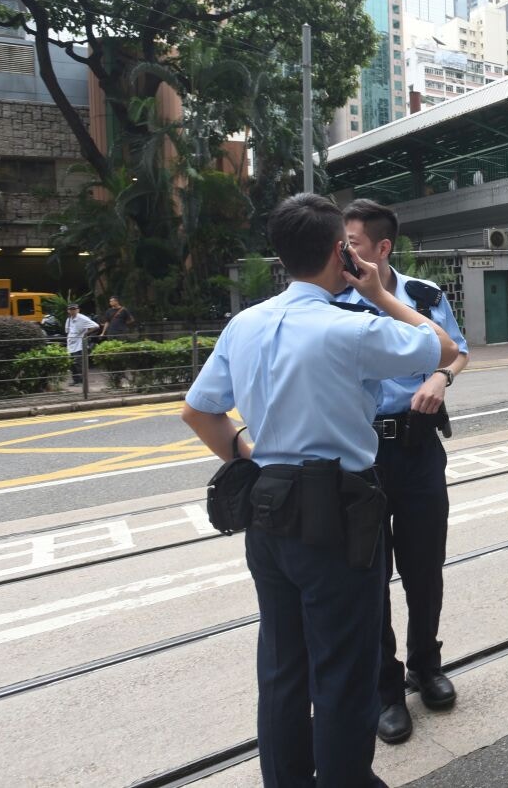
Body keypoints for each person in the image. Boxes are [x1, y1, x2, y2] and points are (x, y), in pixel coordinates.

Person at [180, 193, 457, 788]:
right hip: (337, 513)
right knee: (342, 669)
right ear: (341, 252)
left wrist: (255, 459)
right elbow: (443, 348)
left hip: (267, 507)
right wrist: (381, 293)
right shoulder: (352, 327)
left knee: (282, 667)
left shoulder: (244, 324)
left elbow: (200, 413)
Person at [334, 199, 471, 745]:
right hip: (361, 456)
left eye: (353, 244)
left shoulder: (424, 296)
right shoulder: (332, 303)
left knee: (424, 567)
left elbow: (456, 352)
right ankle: (385, 688)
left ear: (382, 248)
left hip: (417, 450)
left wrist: (442, 378)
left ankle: (426, 665)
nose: (344, 253)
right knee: (370, 575)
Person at [63, 303, 99, 384]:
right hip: (71, 344)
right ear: (68, 311)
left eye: (74, 309)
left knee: (78, 363)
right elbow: (67, 331)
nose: (73, 311)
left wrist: (85, 334)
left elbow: (96, 326)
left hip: (79, 344)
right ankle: (76, 380)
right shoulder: (69, 319)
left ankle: (82, 381)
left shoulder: (82, 318)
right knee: (72, 364)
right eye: (71, 309)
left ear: (78, 310)